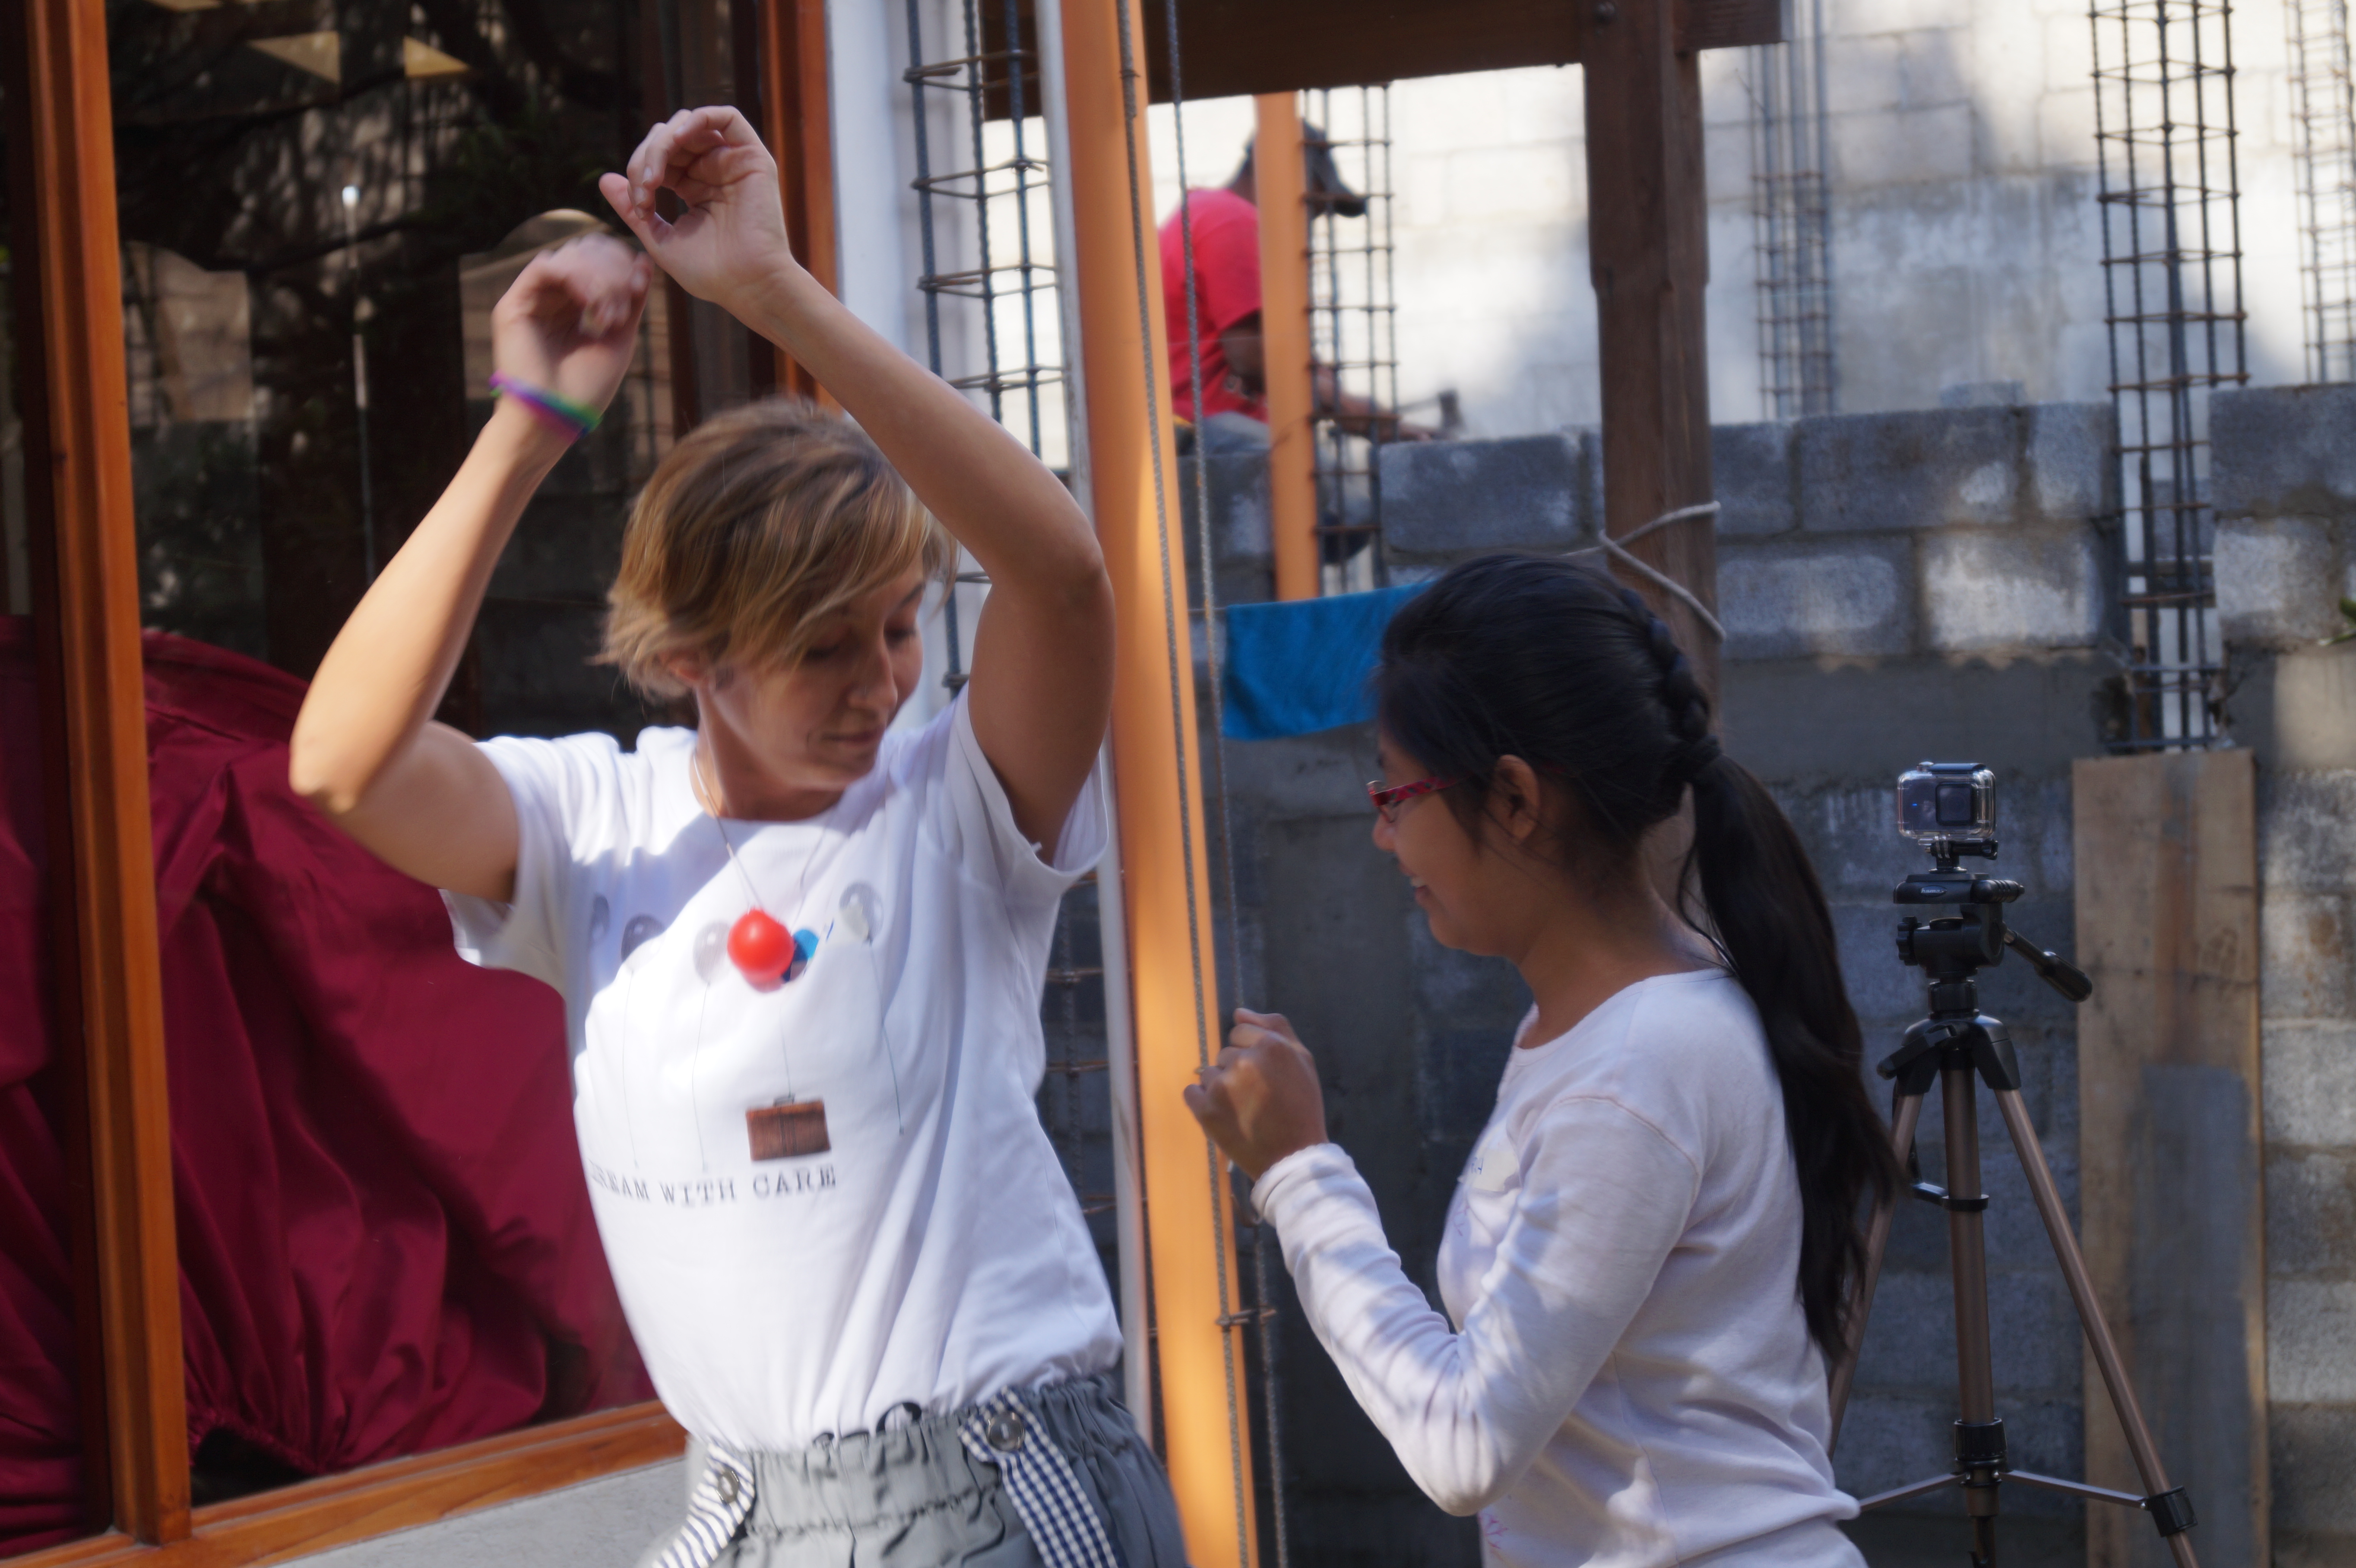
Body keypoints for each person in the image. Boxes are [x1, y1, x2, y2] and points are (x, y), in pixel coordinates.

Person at [289, 105, 1184, 1568]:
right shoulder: (595, 823)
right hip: (745, 1502)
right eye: (821, 648)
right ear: (687, 659)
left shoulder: (952, 811)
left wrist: (773, 293)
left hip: (992, 1485)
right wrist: (528, 427)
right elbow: (340, 766)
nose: (881, 682)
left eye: (898, 628)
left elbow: (1064, 576)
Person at [1183, 555, 1898, 1566]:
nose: (1384, 836)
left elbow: (1463, 1442)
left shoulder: (1636, 1070)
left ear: (1515, 798)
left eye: (1396, 792)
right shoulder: (1620, 1028)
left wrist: (1299, 1173)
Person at [1159, 131, 1434, 455]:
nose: (1311, 222)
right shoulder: (1230, 219)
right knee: (1308, 470)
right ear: (1280, 175)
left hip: (1207, 427)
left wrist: (1360, 409)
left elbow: (1276, 349)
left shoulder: (1215, 212)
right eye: (1312, 207)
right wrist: (1352, 410)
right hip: (1197, 432)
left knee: (1308, 463)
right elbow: (1252, 357)